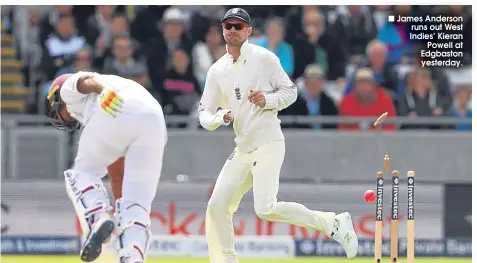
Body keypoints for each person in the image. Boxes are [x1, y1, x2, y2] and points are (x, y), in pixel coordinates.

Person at [198, 8, 358, 263]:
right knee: (217, 207)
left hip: (268, 141)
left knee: (265, 208)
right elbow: (204, 112)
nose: (233, 30)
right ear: (222, 29)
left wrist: (266, 100)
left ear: (249, 31)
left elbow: (291, 92)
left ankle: (333, 223)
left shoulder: (265, 58)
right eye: (228, 25)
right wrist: (219, 118)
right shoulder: (217, 70)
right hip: (243, 147)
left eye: (239, 26)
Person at [45, 72, 167, 263]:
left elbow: (87, 81)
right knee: (135, 203)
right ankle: (132, 256)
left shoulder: (67, 91)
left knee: (81, 173)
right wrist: (120, 205)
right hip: (154, 116)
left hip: (117, 106)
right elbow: (115, 164)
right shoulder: (101, 102)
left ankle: (97, 217)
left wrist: (103, 90)